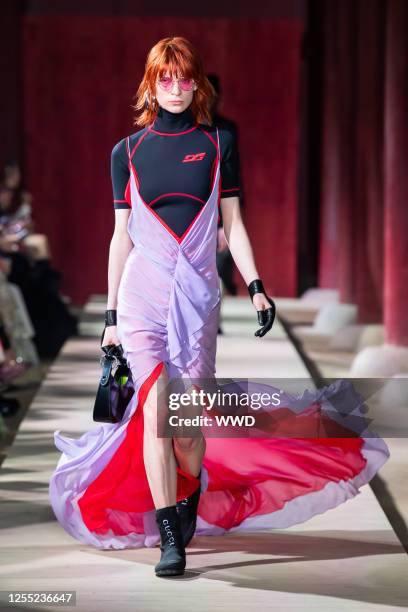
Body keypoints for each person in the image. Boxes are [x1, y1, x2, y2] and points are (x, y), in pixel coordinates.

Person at [49, 36, 390, 579]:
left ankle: (190, 491)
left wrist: (256, 284)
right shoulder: (127, 152)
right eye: (165, 79)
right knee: (156, 418)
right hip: (142, 298)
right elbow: (121, 238)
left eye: (185, 78)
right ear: (151, 83)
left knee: (187, 425)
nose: (176, 88)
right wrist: (111, 315)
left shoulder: (217, 143)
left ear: (197, 83)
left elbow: (233, 224)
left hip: (198, 299)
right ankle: (170, 539)